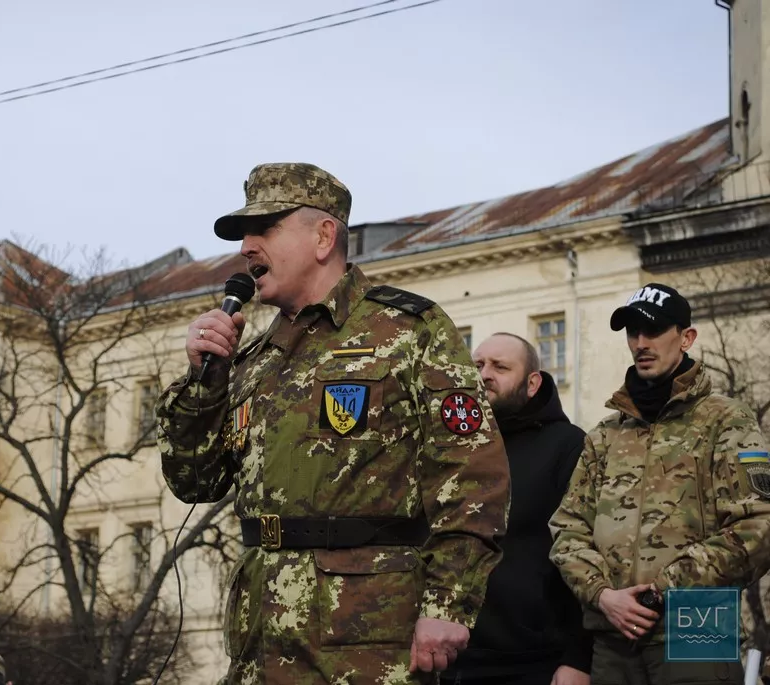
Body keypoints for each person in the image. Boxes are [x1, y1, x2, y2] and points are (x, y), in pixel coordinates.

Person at [155, 162, 511, 684]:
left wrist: (448, 603)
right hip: (262, 633)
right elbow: (195, 481)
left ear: (324, 236)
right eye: (242, 235)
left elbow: (473, 475)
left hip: (365, 639)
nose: (247, 247)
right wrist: (203, 381)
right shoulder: (254, 359)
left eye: (266, 229)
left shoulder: (409, 329)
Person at [548, 282, 770, 684]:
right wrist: (603, 595)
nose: (640, 343)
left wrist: (663, 589)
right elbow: (567, 530)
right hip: (614, 632)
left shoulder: (724, 419)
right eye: (633, 333)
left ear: (686, 337)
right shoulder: (606, 434)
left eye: (653, 331)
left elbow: (757, 526)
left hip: (698, 624)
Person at [441, 333, 591, 685]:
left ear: (533, 382)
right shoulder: (449, 446)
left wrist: (579, 658)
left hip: (532, 663)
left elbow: (588, 554)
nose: (484, 374)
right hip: (446, 659)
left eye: (500, 366)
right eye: (476, 365)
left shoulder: (568, 446)